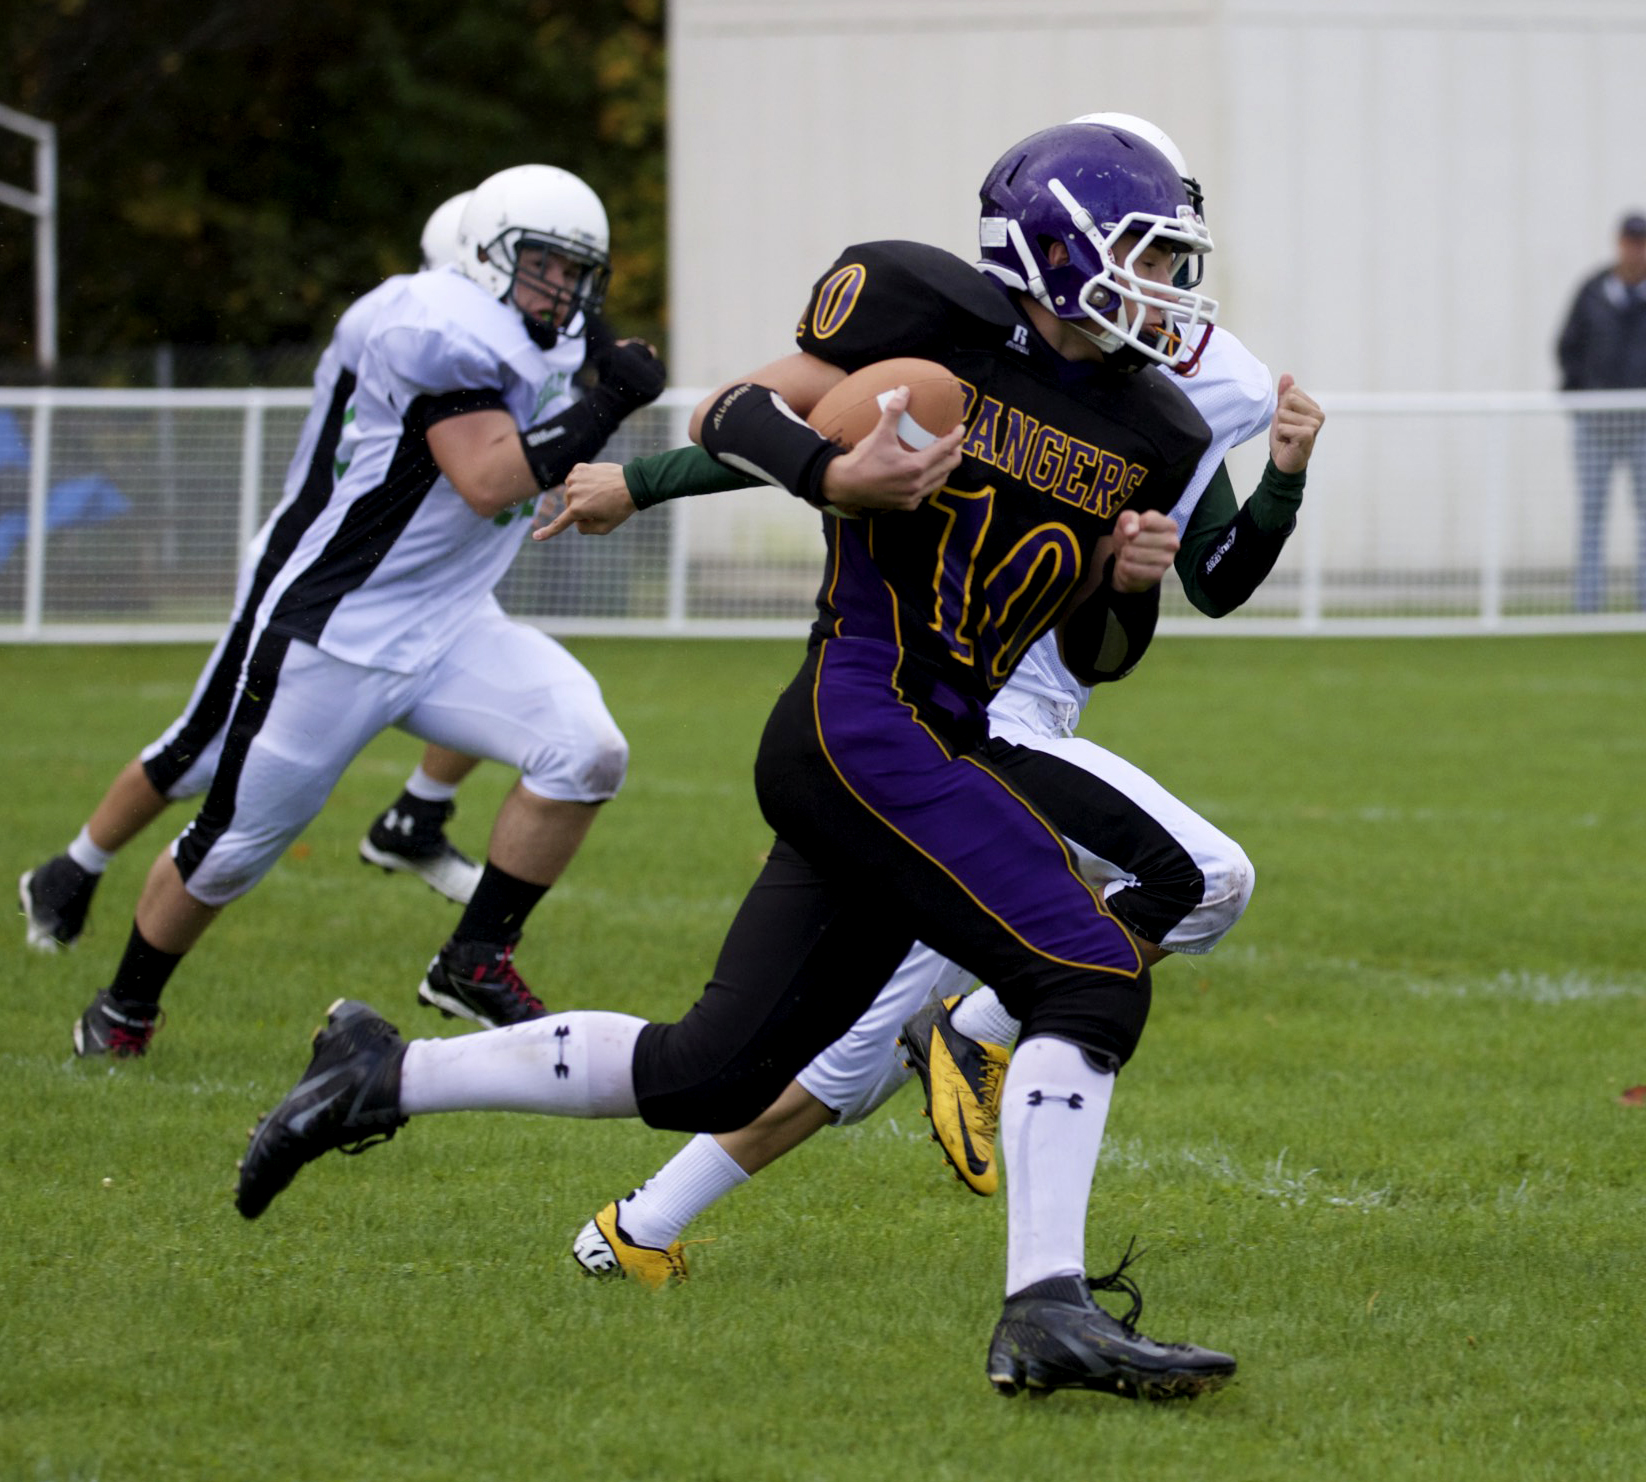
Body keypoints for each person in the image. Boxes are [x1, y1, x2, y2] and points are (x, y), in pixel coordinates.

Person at [237, 122, 1289, 1402]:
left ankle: (381, 1072)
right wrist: (837, 473)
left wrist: (1131, 588)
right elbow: (738, 408)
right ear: (1056, 245)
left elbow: (1097, 648)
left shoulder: (1159, 429)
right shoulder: (927, 307)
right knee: (1083, 971)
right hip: (862, 714)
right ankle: (1045, 1310)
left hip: (930, 739)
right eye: (1146, 252)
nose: (1170, 284)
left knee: (713, 1070)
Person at [539, 114, 1319, 1291]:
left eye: (1173, 248)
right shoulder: (976, 328)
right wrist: (640, 485)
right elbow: (822, 415)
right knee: (1197, 882)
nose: (1168, 280)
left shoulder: (1202, 383)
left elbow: (1200, 580)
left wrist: (1281, 488)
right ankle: (989, 1046)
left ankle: (638, 1226)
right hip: (958, 714)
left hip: (1023, 707)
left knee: (850, 1051)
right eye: (1148, 247)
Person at [64, 163, 666, 1058]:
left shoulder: (537, 340)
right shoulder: (434, 327)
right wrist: (612, 403)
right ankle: (122, 1010)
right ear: (486, 253)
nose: (563, 288)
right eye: (544, 264)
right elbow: (487, 478)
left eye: (577, 271)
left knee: (586, 750)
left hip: (453, 620)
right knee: (230, 851)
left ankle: (474, 956)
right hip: (342, 627)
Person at [20, 192, 495, 963]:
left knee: (504, 667)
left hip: (406, 566)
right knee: (205, 741)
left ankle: (418, 815)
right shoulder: (404, 322)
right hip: (317, 562)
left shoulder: (459, 324)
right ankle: (71, 868)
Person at [1555, 211, 1646, 612]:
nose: (1634, 250)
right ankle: (1587, 607)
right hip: (1595, 421)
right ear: (1618, 243)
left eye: (1641, 242)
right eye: (1628, 241)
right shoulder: (1593, 289)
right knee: (1592, 511)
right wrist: (1582, 396)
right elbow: (1568, 348)